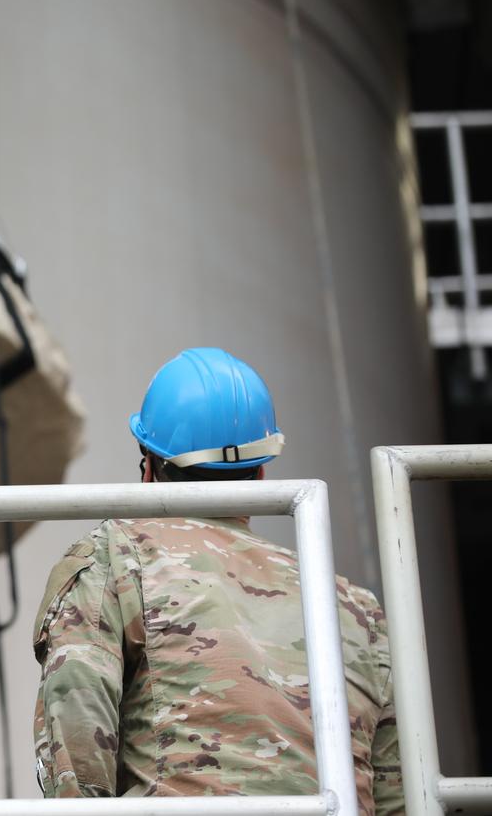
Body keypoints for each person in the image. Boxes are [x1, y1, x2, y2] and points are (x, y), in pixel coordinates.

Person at [32, 347, 401, 814]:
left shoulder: (115, 555)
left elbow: (77, 757)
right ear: (262, 471)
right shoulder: (354, 608)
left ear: (149, 464)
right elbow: (397, 796)